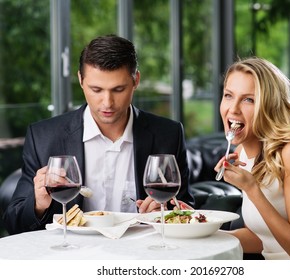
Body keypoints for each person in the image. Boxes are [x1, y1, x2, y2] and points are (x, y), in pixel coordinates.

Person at [4, 34, 193, 235]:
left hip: (141, 256)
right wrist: (39, 204)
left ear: (136, 80)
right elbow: (13, 224)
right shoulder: (43, 137)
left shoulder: (169, 134)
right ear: (80, 80)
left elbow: (185, 208)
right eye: (96, 89)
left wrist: (164, 212)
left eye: (118, 89)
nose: (107, 103)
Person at [178, 56, 290, 259]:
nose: (233, 108)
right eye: (228, 95)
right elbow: (261, 238)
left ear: (269, 106)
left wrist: (252, 188)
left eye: (249, 99)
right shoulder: (242, 153)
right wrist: (198, 229)